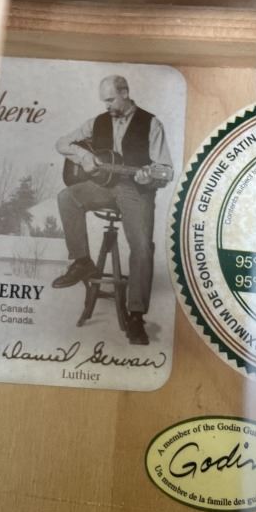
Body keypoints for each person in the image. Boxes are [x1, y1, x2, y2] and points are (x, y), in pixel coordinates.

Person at [52, 74, 173, 345]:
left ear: (125, 93)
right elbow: (61, 143)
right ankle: (82, 261)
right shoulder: (97, 121)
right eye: (103, 101)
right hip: (104, 186)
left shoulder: (151, 123)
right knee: (67, 197)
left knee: (142, 247)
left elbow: (165, 170)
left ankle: (136, 316)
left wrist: (149, 178)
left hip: (135, 190)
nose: (106, 106)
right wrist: (84, 157)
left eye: (110, 100)